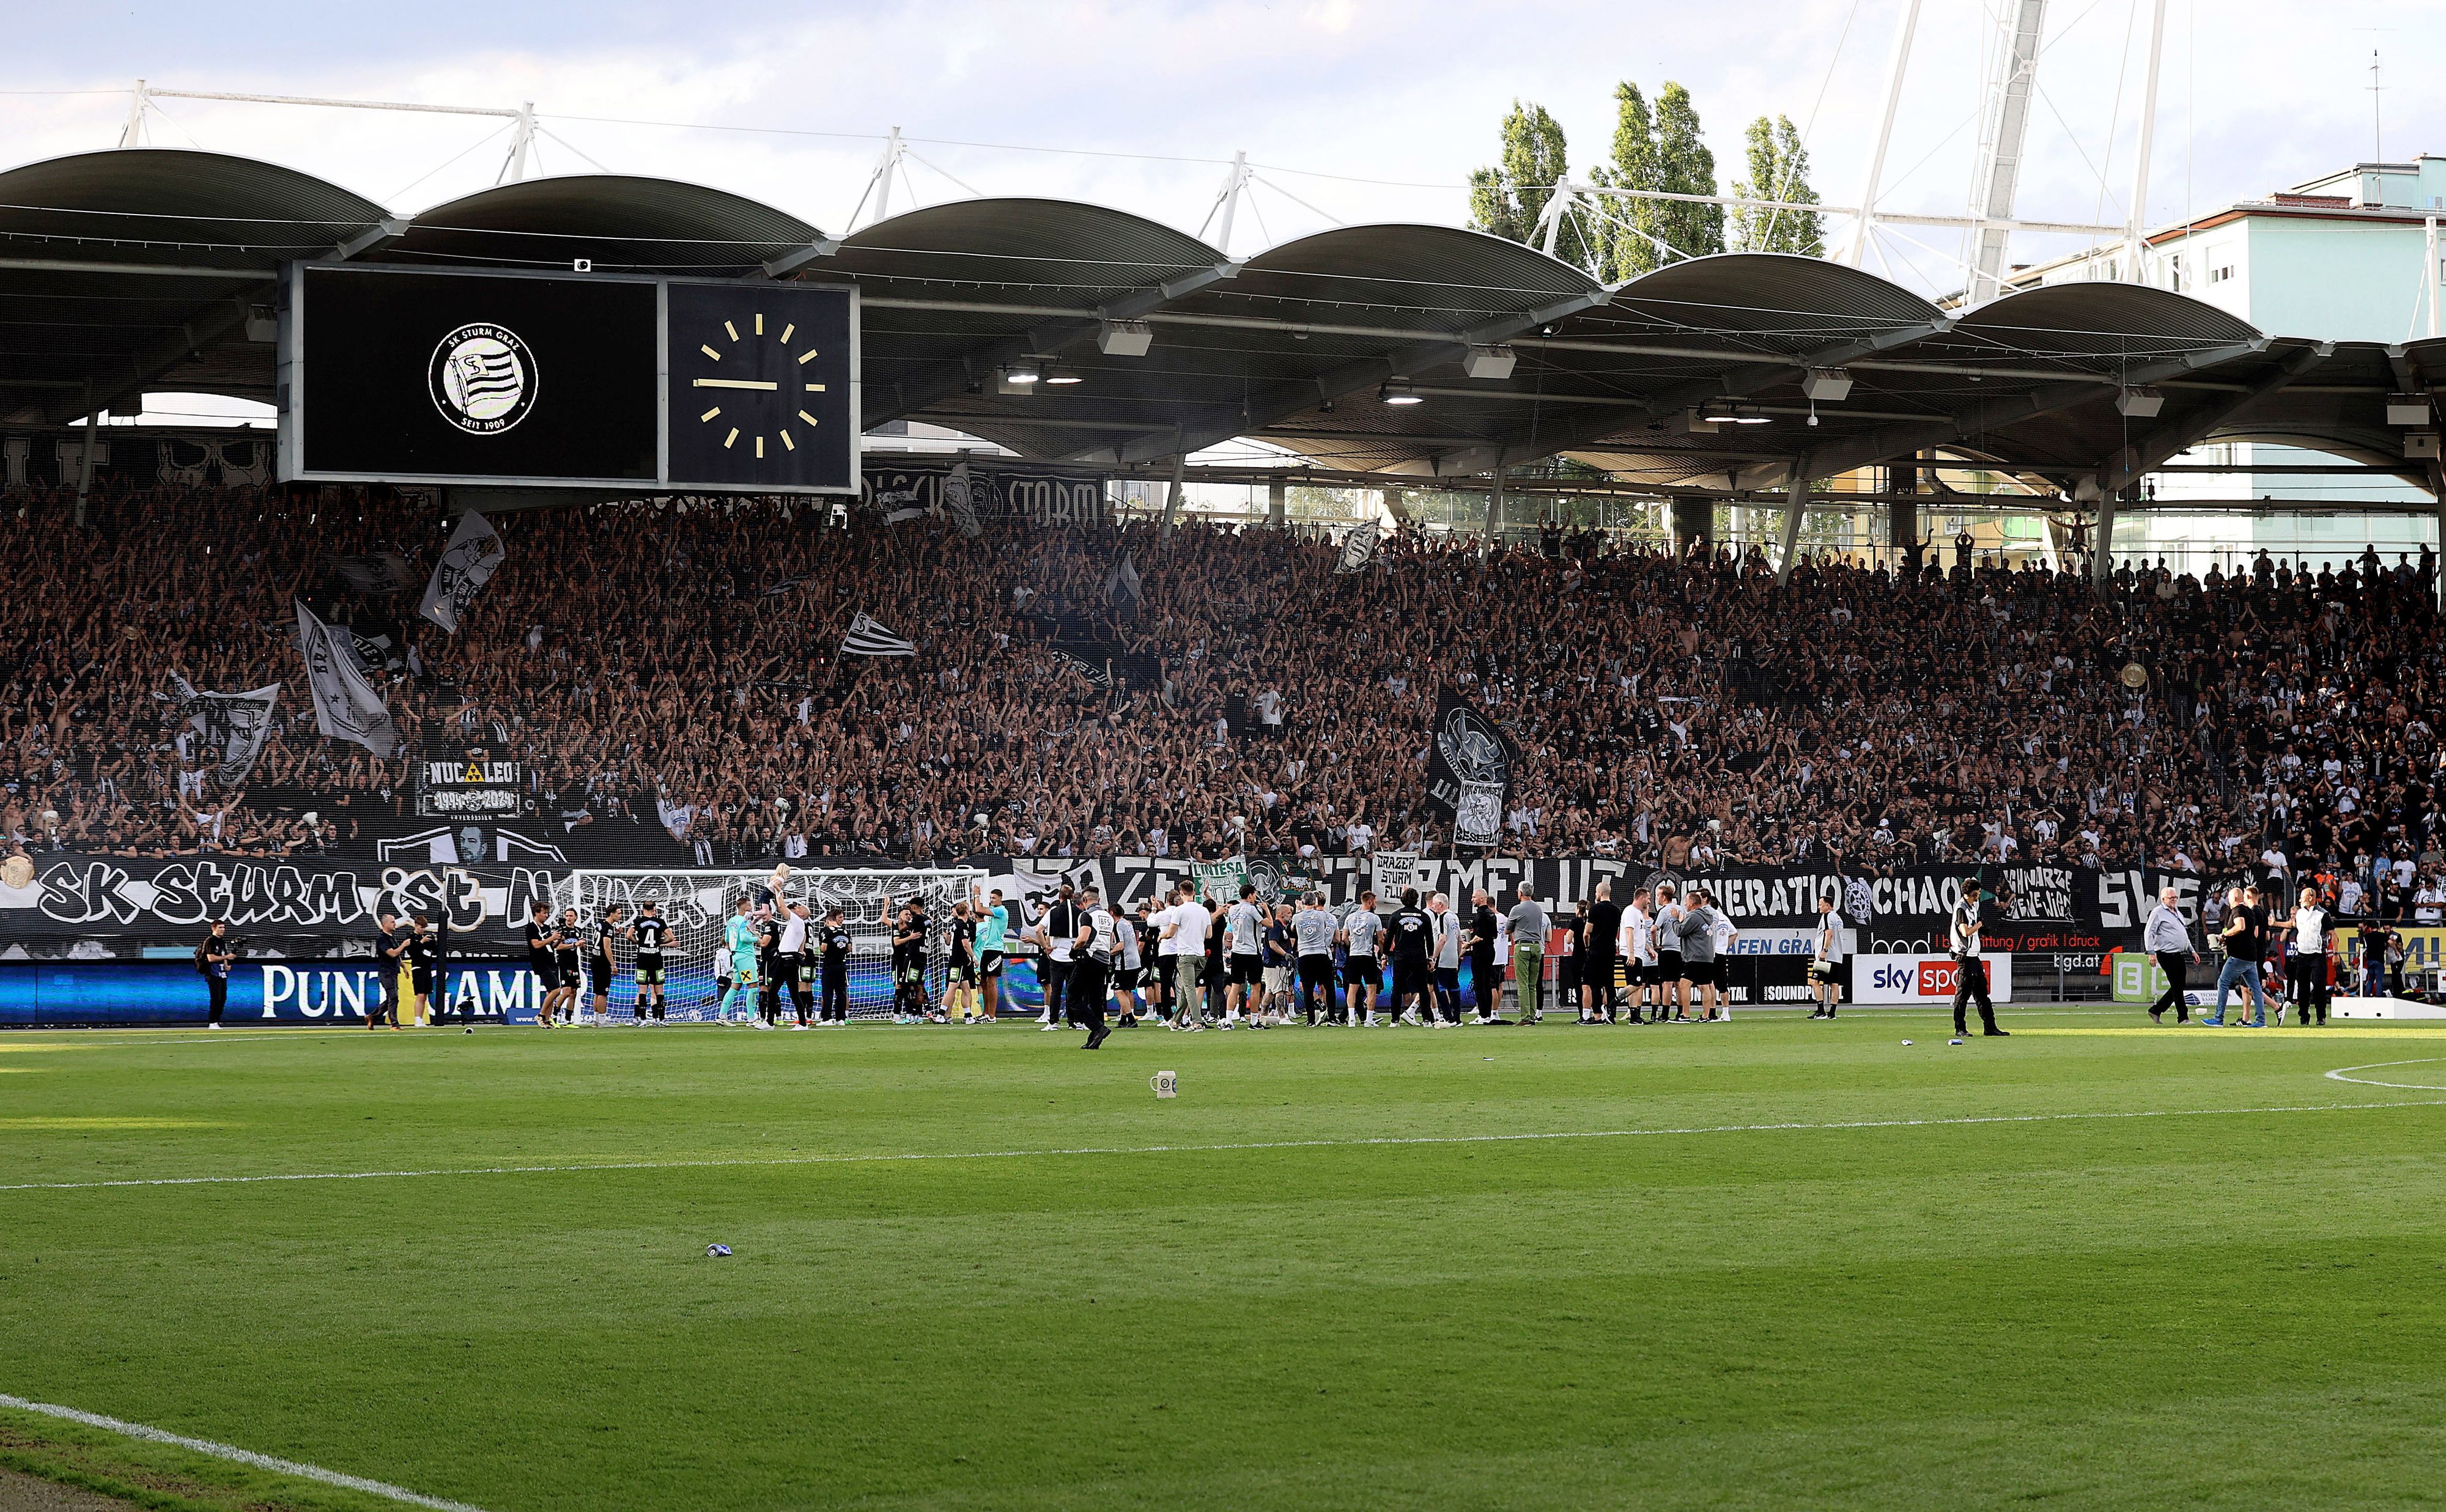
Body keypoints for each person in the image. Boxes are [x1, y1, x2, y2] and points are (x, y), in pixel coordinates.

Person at [2204, 885, 2268, 1028]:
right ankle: (2261, 1021)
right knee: (2256, 988)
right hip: (2251, 956)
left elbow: (2240, 927)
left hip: (2239, 956)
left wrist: (2224, 935)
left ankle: (2218, 1018)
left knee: (2223, 983)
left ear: (2233, 898)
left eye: (2228, 897)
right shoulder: (2249, 911)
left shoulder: (2238, 910)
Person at [1949, 882, 2006, 1038]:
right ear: (1973, 892)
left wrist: (1981, 929)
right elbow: (1965, 932)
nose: (1980, 893)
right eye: (1978, 891)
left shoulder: (1972, 907)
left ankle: (1990, 1027)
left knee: (1982, 994)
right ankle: (1960, 1028)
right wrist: (1980, 925)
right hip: (1965, 958)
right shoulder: (1961, 908)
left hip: (1974, 957)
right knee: (1962, 995)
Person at [2143, 887, 2197, 1025]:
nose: (2174, 900)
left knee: (2179, 985)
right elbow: (2149, 932)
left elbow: (2183, 933)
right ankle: (2183, 1018)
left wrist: (2192, 950)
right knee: (2177, 986)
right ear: (2163, 899)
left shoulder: (2176, 912)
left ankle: (2156, 1010)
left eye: (2175, 897)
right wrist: (2151, 952)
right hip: (2166, 953)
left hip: (2178, 953)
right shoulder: (2158, 912)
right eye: (2171, 898)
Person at [1071, 885, 1115, 1049]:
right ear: (1099, 900)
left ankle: (1097, 1028)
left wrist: (1074, 948)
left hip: (1089, 958)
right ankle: (1096, 1039)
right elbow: (1111, 940)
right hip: (1104, 960)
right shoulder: (1108, 917)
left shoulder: (1086, 915)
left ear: (1084, 900)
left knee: (1073, 997)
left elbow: (1083, 938)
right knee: (1097, 1000)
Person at [1161, 884, 1210, 1030]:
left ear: (1181, 893)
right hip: (1201, 955)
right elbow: (1209, 935)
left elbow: (1170, 933)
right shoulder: (1204, 910)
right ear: (1194, 893)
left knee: (1188, 988)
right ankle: (1175, 1021)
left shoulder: (1179, 910)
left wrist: (1161, 936)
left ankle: (1197, 1021)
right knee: (1186, 989)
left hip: (1185, 955)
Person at [1387, 885, 1435, 1027]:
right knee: (1423, 988)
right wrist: (1431, 957)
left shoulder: (1396, 915)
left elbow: (1389, 937)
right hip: (1419, 957)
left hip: (1401, 957)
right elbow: (1430, 939)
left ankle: (1395, 1020)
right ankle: (1427, 1020)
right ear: (1416, 900)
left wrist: (1385, 955)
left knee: (1397, 988)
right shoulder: (1424, 916)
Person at [2288, 884, 2332, 1027]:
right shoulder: (2300, 913)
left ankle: (2321, 1016)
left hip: (2318, 954)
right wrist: (2275, 923)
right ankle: (2304, 1016)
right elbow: (2292, 925)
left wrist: (2335, 953)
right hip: (2302, 955)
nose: (2300, 901)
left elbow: (2333, 934)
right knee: (2302, 988)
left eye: (2302, 898)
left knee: (2319, 986)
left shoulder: (2323, 914)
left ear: (2310, 898)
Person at [1676, 890, 1724, 1022]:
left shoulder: (1694, 916)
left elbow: (1680, 931)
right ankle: (1706, 1016)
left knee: (1684, 985)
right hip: (1708, 956)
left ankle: (1685, 1015)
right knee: (1705, 985)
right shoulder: (1709, 915)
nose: (1685, 904)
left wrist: (1676, 920)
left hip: (1696, 956)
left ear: (1692, 902)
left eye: (1686, 901)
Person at [1037, 884, 1079, 1030]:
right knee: (1073, 991)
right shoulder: (1079, 912)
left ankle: (1053, 1022)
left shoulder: (1053, 912)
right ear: (1073, 897)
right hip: (1074, 957)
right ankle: (1075, 1022)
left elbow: (1038, 930)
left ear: (1059, 897)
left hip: (1057, 958)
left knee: (1056, 990)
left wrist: (1045, 948)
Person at [1293, 891, 1339, 1025]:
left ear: (1302, 902)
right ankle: (1331, 1018)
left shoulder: (1297, 917)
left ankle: (1311, 1021)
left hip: (1305, 954)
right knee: (1329, 987)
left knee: (1308, 988)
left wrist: (1299, 910)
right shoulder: (1322, 915)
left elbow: (1292, 930)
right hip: (1321, 953)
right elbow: (1329, 932)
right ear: (1315, 902)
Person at [1224, 883, 1266, 1027]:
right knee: (1255, 987)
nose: (1255, 898)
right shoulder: (1252, 909)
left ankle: (1229, 1021)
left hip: (1237, 952)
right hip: (1252, 952)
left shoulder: (1233, 909)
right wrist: (1266, 910)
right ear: (1250, 895)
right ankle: (1254, 1022)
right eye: (1254, 895)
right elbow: (1269, 924)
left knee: (1235, 986)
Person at [1340, 889, 1384, 1027]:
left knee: (1353, 988)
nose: (1376, 905)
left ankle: (1352, 1019)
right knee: (1372, 988)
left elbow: (1344, 938)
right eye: (1375, 903)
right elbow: (1381, 939)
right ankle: (1368, 1020)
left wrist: (1352, 946)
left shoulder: (1350, 917)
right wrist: (1382, 954)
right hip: (1367, 956)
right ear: (1370, 902)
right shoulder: (1374, 918)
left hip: (1354, 956)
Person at [1507, 883, 1548, 1024]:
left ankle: (1525, 1017)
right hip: (1537, 947)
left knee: (1523, 984)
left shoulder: (1517, 909)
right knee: (1533, 985)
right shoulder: (1538, 909)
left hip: (1522, 946)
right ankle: (1532, 1015)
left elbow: (1508, 930)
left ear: (1520, 893)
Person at [719, 897, 761, 1025]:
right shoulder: (744, 921)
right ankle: (751, 1019)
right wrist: (757, 938)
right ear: (744, 907)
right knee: (753, 987)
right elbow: (743, 938)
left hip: (736, 957)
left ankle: (722, 1016)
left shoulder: (731, 921)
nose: (751, 908)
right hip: (745, 957)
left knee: (735, 986)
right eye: (749, 906)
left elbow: (726, 939)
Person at [1585, 880, 1621, 1025]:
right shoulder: (1617, 910)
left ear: (1600, 893)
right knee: (1610, 984)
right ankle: (1611, 1014)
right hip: (1610, 950)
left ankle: (1598, 1016)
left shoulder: (1595, 909)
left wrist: (1587, 946)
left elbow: (1587, 932)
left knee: (1595, 985)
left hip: (1596, 950)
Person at [629, 901, 670, 1023]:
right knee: (659, 989)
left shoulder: (638, 922)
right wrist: (660, 943)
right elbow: (671, 937)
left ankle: (643, 1020)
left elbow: (628, 935)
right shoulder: (660, 922)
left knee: (643, 989)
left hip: (643, 958)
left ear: (642, 910)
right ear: (654, 909)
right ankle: (661, 1020)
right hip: (656, 958)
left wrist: (638, 942)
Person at [1807, 893, 1845, 1019]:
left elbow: (1829, 935)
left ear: (1827, 906)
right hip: (1837, 956)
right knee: (1834, 984)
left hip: (1826, 956)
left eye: (1820, 905)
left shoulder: (1827, 916)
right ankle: (1832, 1013)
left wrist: (1824, 951)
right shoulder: (1838, 918)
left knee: (1814, 981)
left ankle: (1820, 1011)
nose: (1819, 907)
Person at [1620, 887, 1656, 1024]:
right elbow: (1629, 932)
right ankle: (1613, 1003)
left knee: (1636, 985)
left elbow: (1639, 936)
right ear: (1641, 898)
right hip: (1631, 954)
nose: (1649, 901)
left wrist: (1649, 949)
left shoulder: (1639, 914)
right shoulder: (1630, 911)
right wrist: (1631, 953)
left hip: (1638, 953)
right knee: (1635, 984)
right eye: (1648, 898)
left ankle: (1635, 1017)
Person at [1652, 883, 1686, 1023]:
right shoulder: (1681, 909)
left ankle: (1665, 1014)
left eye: (1658, 896)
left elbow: (1654, 929)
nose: (1657, 898)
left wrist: (1655, 945)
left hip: (1667, 950)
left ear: (1664, 897)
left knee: (1667, 983)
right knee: (1679, 983)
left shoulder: (1664, 911)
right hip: (1680, 950)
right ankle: (1681, 1013)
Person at [525, 902, 562, 1030]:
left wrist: (558, 940)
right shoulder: (531, 927)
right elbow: (536, 945)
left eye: (547, 913)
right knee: (557, 990)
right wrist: (551, 938)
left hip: (551, 961)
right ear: (537, 913)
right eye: (544, 913)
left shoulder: (546, 927)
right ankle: (540, 1015)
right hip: (541, 962)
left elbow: (550, 946)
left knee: (551, 992)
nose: (546, 915)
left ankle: (546, 1020)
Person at [975, 887, 1010, 1022]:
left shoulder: (1001, 910)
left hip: (996, 949)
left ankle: (992, 1015)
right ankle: (985, 1013)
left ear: (1000, 898)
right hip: (987, 949)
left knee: (992, 982)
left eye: (994, 898)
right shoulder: (995, 911)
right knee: (984, 982)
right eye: (990, 898)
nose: (992, 900)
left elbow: (979, 910)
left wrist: (977, 895)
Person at [1466, 888, 1501, 1023]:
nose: (1472, 900)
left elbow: (1479, 937)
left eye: (1474, 897)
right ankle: (1487, 1015)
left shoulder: (1480, 916)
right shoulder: (1492, 914)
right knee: (1487, 983)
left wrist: (1468, 944)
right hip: (1490, 950)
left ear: (1482, 899)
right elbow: (1495, 934)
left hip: (1480, 952)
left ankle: (1483, 1015)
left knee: (1479, 984)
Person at [1429, 891, 1463, 1025]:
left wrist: (1434, 957)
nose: (1433, 907)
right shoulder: (1455, 917)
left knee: (1439, 988)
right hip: (1453, 959)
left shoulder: (1443, 917)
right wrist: (1458, 955)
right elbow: (1460, 940)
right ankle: (1457, 1018)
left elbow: (1442, 939)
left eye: (1434, 904)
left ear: (1440, 904)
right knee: (1454, 988)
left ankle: (1448, 1017)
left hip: (1443, 959)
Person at [588, 904, 626, 1027]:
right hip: (602, 962)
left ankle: (596, 1020)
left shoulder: (601, 924)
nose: (620, 916)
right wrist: (613, 965)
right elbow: (606, 946)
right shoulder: (608, 928)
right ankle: (603, 1020)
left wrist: (615, 934)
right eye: (619, 913)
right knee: (603, 992)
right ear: (612, 914)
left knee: (598, 993)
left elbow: (602, 939)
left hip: (594, 959)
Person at [777, 901, 811, 1028]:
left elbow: (781, 907)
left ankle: (770, 1021)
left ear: (801, 913)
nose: (796, 908)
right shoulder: (797, 924)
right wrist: (801, 951)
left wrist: (778, 890)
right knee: (795, 992)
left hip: (788, 960)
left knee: (776, 990)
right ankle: (803, 1021)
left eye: (798, 907)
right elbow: (804, 937)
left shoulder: (797, 921)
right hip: (790, 958)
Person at [944, 900, 979, 1023]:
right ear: (967, 912)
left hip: (964, 960)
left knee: (966, 989)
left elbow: (969, 942)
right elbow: (965, 944)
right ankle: (942, 1014)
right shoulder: (960, 925)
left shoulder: (964, 924)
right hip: (958, 961)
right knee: (952, 988)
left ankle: (968, 1016)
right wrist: (974, 957)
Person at [817, 904, 853, 1025]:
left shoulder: (826, 931)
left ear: (828, 921)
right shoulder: (845, 932)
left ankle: (827, 1018)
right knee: (841, 992)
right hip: (842, 965)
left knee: (828, 992)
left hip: (830, 965)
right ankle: (841, 1018)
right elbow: (849, 949)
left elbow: (823, 949)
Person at [195, 919, 235, 1027]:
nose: (223, 930)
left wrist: (226, 964)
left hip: (222, 973)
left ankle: (217, 1020)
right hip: (213, 973)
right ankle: (212, 1022)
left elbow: (223, 954)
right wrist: (227, 957)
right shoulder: (210, 941)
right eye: (220, 928)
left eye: (224, 927)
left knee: (223, 997)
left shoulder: (222, 941)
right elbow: (211, 958)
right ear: (214, 928)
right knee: (216, 997)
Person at [371, 910, 406, 1030]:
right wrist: (404, 945)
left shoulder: (392, 938)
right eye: (392, 922)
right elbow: (392, 953)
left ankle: (372, 1017)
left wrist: (403, 966)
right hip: (386, 972)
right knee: (394, 997)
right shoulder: (382, 939)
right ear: (385, 924)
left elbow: (397, 955)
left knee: (392, 998)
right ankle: (394, 1024)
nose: (395, 924)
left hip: (393, 971)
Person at [1262, 902, 1296, 1027]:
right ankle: (1282, 1016)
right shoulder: (1276, 927)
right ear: (1281, 914)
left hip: (1272, 963)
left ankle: (1263, 1014)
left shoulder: (1281, 927)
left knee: (1270, 991)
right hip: (1275, 963)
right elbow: (1273, 944)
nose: (1291, 915)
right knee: (1280, 990)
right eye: (1289, 913)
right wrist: (1285, 954)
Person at [554, 908, 585, 1025]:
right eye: (567, 916)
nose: (568, 918)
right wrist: (574, 944)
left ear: (576, 917)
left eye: (571, 916)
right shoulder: (561, 931)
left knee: (574, 992)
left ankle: (567, 1020)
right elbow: (558, 947)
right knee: (566, 991)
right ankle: (554, 1015)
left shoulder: (578, 931)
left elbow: (582, 949)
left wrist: (582, 946)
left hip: (574, 963)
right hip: (564, 963)